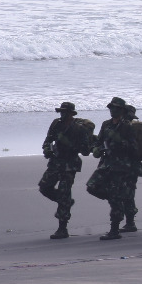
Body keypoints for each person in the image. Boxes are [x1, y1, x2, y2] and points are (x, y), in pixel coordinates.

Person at [87, 97, 142, 240]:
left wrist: (118, 142)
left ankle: (115, 229)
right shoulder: (106, 125)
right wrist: (97, 149)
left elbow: (133, 147)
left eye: (116, 108)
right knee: (92, 186)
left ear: (121, 111)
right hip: (107, 164)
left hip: (122, 167)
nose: (113, 110)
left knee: (120, 195)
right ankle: (121, 209)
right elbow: (99, 142)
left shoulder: (128, 127)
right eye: (111, 107)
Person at [38, 101, 94, 239]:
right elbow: (48, 140)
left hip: (70, 165)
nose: (62, 114)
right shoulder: (56, 124)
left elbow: (86, 150)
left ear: (71, 114)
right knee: (44, 187)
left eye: (65, 112)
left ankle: (62, 228)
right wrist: (47, 149)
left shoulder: (79, 129)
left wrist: (69, 144)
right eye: (61, 112)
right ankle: (66, 201)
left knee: (64, 192)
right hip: (55, 162)